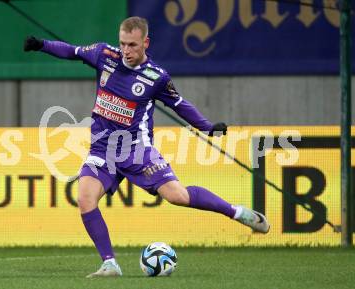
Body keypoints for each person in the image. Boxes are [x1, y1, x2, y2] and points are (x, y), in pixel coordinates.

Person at [24, 16, 270, 278]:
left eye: (132, 44)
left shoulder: (157, 77)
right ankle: (110, 264)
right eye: (123, 44)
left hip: (137, 151)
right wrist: (41, 45)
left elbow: (180, 104)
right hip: (102, 150)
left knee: (178, 196)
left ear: (145, 42)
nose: (126, 50)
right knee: (85, 199)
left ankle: (237, 212)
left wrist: (207, 127)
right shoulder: (104, 55)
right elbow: (71, 51)